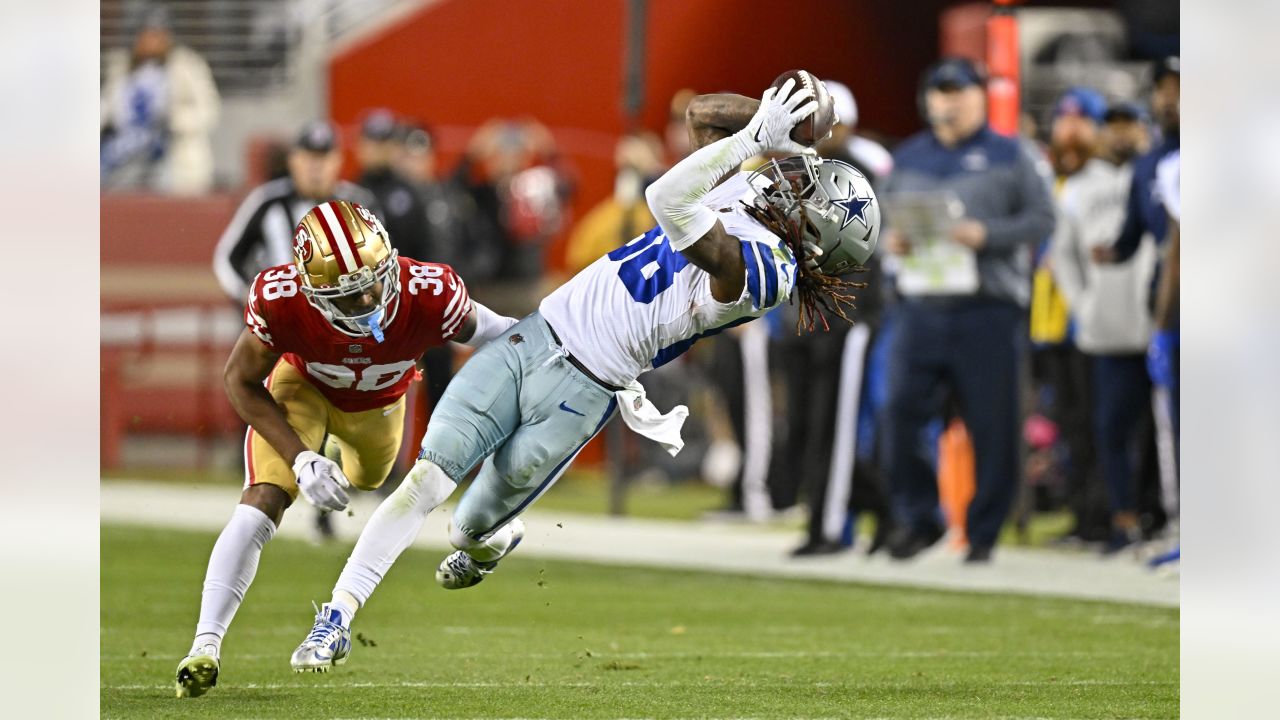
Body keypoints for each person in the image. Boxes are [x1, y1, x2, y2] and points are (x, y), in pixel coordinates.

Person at [287, 77, 881, 671]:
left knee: (468, 530)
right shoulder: (752, 198)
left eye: (805, 189)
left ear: (814, 235)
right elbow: (703, 114)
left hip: (582, 393)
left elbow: (668, 198)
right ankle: (335, 618)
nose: (789, 178)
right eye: (802, 173)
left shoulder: (764, 272)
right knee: (427, 481)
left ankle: (488, 545)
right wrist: (782, 118)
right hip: (533, 337)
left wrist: (758, 135)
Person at [175, 201, 516, 698]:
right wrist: (299, 456)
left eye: (374, 281)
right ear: (312, 292)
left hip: (379, 409)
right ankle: (204, 646)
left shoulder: (430, 291)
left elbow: (506, 334)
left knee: (370, 479)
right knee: (263, 500)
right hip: (304, 391)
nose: (368, 299)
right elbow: (240, 380)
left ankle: (330, 458)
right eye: (348, 296)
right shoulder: (281, 297)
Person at [879, 57, 1055, 563]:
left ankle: (982, 533)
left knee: (993, 426)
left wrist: (988, 235)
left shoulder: (1012, 155)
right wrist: (891, 243)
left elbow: (1044, 217)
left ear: (981, 96)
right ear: (927, 99)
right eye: (940, 91)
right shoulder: (909, 157)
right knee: (899, 415)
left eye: (959, 91)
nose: (949, 101)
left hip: (988, 309)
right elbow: (880, 224)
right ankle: (919, 517)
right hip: (920, 307)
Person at [1050, 97, 1159, 552]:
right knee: (1110, 430)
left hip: (1161, 327)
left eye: (1127, 124)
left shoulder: (1161, 173)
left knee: (1163, 436)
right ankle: (1122, 521)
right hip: (1107, 331)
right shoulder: (1078, 188)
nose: (1119, 134)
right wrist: (1083, 306)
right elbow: (1063, 255)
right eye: (1111, 125)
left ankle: (1162, 519)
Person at [212, 120, 381, 303]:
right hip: (281, 314)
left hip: (344, 316)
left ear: (337, 161)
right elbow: (228, 257)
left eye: (323, 158)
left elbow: (381, 259)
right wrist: (247, 294)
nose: (316, 168)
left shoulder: (359, 203)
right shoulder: (267, 201)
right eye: (309, 158)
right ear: (293, 160)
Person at [100, 5, 220, 195]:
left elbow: (209, 111)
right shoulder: (121, 66)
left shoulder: (187, 65)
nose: (152, 41)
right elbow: (106, 107)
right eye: (147, 34)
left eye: (158, 34)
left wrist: (173, 119)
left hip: (172, 156)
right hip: (124, 154)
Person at [355, 109, 431, 261]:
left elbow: (424, 247)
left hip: (402, 280)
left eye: (384, 142)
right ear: (360, 146)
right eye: (372, 141)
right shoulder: (348, 193)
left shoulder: (409, 194)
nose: (378, 149)